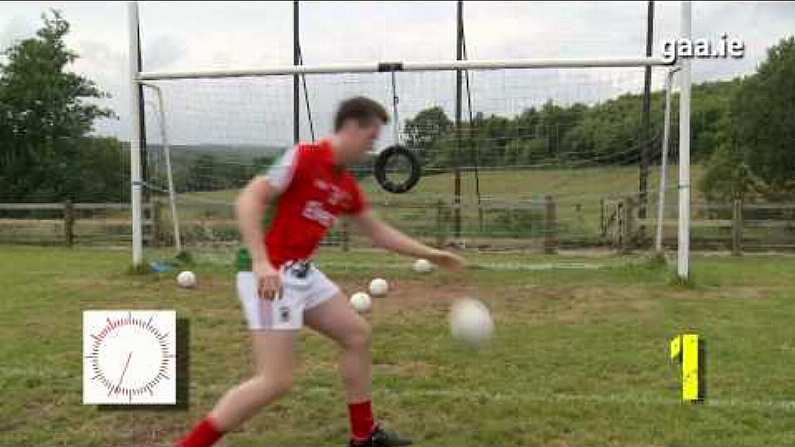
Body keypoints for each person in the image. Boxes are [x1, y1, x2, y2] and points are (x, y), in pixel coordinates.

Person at [174, 96, 465, 447]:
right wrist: (261, 262)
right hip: (268, 277)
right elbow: (248, 199)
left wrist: (432, 254)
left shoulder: (346, 186)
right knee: (275, 380)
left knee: (356, 335)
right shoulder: (304, 156)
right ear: (352, 127)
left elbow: (377, 231)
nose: (373, 145)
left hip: (301, 274)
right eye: (371, 137)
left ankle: (364, 437)